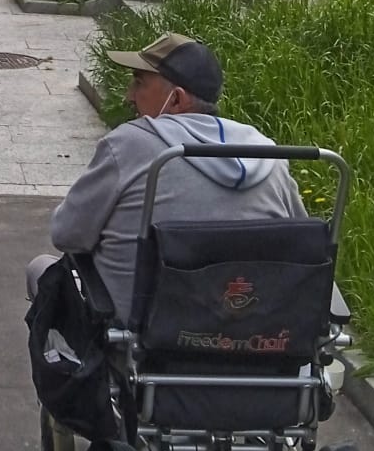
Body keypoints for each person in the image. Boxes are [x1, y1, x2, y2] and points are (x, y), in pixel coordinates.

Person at [26, 33, 307, 324]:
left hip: (141, 335)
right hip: (254, 332)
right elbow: (299, 242)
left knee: (40, 269)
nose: (129, 96)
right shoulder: (267, 154)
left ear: (177, 99)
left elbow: (67, 235)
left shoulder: (129, 144)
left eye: (139, 83)